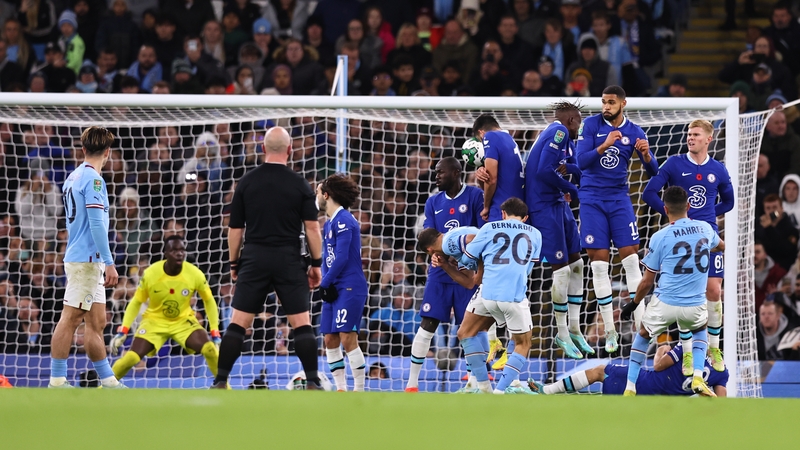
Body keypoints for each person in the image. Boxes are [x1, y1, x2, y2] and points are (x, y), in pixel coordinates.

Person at [212, 126, 323, 390]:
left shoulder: (246, 182)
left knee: (238, 322)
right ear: (290, 150)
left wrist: (234, 263)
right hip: (288, 259)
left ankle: (220, 380)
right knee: (301, 323)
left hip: (254, 257)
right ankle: (313, 382)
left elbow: (235, 229)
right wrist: (316, 264)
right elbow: (312, 228)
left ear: (262, 149)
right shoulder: (300, 184)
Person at [642, 119, 734, 374]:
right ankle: (686, 353)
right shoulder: (673, 163)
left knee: (713, 290)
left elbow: (729, 201)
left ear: (708, 139)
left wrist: (708, 214)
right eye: (688, 134)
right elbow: (649, 193)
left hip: (707, 236)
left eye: (695, 134)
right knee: (685, 293)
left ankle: (714, 348)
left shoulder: (719, 169)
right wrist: (671, 213)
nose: (690, 138)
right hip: (679, 235)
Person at [576, 85, 658, 353]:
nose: (606, 107)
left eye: (611, 102)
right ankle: (610, 332)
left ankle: (641, 327)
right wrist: (604, 145)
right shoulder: (589, 126)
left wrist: (646, 155)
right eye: (603, 102)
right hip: (591, 199)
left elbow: (653, 171)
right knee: (599, 265)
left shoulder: (635, 131)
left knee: (632, 259)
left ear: (623, 103)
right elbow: (581, 161)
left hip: (619, 199)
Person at [620, 186, 724, 397]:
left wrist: (633, 303)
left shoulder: (659, 237)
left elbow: (647, 281)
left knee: (642, 335)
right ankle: (697, 376)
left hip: (665, 303)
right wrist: (705, 247)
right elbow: (721, 246)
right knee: (700, 330)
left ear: (665, 209)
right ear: (688, 206)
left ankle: (630, 387)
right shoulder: (704, 228)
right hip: (694, 305)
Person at [405, 157, 490, 393]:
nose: (436, 176)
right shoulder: (433, 202)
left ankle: (476, 380)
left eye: (440, 172)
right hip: (440, 271)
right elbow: (431, 234)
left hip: (466, 272)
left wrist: (466, 257)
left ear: (455, 172)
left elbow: (480, 233)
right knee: (428, 323)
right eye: (435, 172)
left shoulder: (474, 196)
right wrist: (436, 256)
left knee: (473, 327)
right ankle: (412, 384)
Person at [49, 126, 123, 389]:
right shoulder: (94, 180)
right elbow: (96, 225)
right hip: (87, 260)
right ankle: (57, 380)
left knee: (97, 321)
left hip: (85, 258)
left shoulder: (73, 177)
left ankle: (108, 381)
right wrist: (109, 261)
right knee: (70, 317)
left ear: (83, 149)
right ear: (108, 152)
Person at [525, 101, 589, 359]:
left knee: (578, 264)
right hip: (543, 206)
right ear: (571, 119)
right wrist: (571, 188)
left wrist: (571, 174)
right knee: (561, 270)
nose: (580, 127)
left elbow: (575, 167)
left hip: (558, 204)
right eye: (580, 122)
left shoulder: (566, 139)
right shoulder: (558, 132)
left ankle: (575, 328)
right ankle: (561, 332)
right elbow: (543, 171)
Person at [109, 236, 220, 381]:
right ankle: (104, 386)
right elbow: (136, 302)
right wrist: (123, 330)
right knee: (131, 358)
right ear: (166, 253)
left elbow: (209, 300)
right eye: (174, 250)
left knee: (210, 349)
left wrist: (215, 332)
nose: (179, 253)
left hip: (183, 321)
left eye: (182, 250)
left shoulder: (194, 273)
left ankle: (224, 385)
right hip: (154, 322)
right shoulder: (151, 274)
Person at [462, 197, 542, 394]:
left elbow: (467, 258)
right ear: (525, 218)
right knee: (523, 343)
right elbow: (528, 268)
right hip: (513, 296)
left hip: (487, 294)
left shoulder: (489, 227)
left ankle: (483, 386)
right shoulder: (537, 234)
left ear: (503, 214)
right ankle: (501, 390)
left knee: (465, 333)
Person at [316, 174, 368, 392]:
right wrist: (325, 281)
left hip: (349, 286)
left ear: (326, 195)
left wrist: (324, 283)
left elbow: (342, 257)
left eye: (317, 192)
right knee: (329, 339)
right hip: (333, 287)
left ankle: (359, 389)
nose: (315, 196)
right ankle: (340, 389)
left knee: (348, 338)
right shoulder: (329, 223)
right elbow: (328, 259)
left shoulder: (345, 220)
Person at [529, 342, 728, 397]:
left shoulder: (689, 347)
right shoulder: (722, 372)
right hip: (664, 399)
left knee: (600, 371)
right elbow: (720, 403)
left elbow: (658, 367)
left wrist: (661, 350)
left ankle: (546, 390)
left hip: (645, 383)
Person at [472, 114, 525, 222]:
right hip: (518, 207)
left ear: (481, 133)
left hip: (502, 208)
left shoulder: (490, 136)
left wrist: (486, 206)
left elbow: (491, 179)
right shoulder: (509, 139)